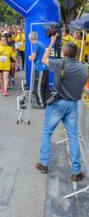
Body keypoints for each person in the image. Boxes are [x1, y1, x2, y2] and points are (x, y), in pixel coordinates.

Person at [36, 38, 87, 182]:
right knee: (73, 136)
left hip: (58, 103)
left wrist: (51, 43)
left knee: (47, 132)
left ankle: (44, 164)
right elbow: (82, 86)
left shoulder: (60, 63)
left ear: (64, 52)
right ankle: (76, 172)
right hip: (73, 104)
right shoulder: (83, 67)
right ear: (75, 54)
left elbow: (44, 59)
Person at [29, 32, 50, 108]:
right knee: (45, 87)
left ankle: (41, 104)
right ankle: (47, 103)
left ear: (30, 38)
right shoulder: (40, 44)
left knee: (38, 86)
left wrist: (29, 57)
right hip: (45, 67)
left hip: (40, 68)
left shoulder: (35, 44)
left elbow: (33, 57)